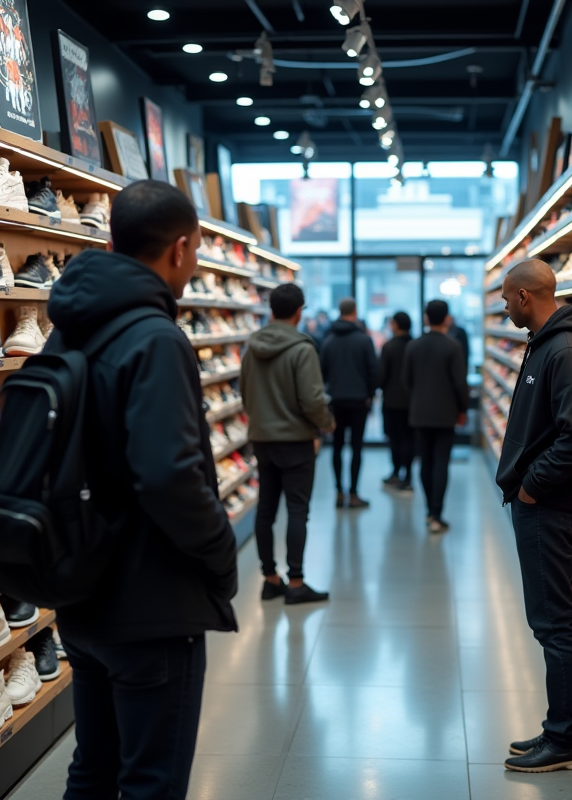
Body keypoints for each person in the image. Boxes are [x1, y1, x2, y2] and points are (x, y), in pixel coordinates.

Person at [44, 180, 238, 800]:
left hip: (79, 591)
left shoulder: (66, 331)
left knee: (93, 770)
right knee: (151, 782)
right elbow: (166, 473)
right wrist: (219, 553)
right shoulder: (156, 338)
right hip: (151, 599)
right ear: (180, 249)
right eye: (199, 249)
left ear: (110, 240)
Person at [495, 259, 572, 773]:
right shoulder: (546, 343)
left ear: (522, 297)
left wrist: (533, 487)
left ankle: (567, 741)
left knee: (553, 622)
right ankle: (566, 726)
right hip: (538, 503)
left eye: (504, 297)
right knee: (551, 619)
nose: (502, 305)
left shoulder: (565, 350)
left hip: (547, 507)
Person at [242, 283, 335, 604]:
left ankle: (270, 579)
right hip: (295, 440)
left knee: (265, 509)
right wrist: (325, 423)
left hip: (262, 439)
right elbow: (311, 399)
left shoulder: (250, 347)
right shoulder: (302, 349)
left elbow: (244, 390)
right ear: (299, 312)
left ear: (271, 310)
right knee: (297, 510)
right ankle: (296, 582)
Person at [404, 300, 469, 533]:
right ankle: (436, 514)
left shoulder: (413, 346)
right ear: (447, 318)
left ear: (426, 318)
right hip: (445, 413)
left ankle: (428, 511)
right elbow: (460, 383)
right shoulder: (452, 347)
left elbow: (407, 381)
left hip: (420, 412)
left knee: (425, 461)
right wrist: (463, 409)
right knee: (441, 462)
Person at [320, 298, 379, 508]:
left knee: (336, 447)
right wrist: (370, 394)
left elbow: (322, 373)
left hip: (335, 401)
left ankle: (338, 492)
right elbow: (374, 371)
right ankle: (354, 493)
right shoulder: (364, 340)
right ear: (355, 311)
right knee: (356, 447)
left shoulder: (328, 340)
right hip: (358, 401)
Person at [378, 311, 415, 491]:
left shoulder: (389, 347)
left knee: (394, 438)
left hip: (391, 400)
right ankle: (407, 475)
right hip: (412, 401)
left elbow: (381, 375)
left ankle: (395, 472)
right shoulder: (414, 345)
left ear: (395, 324)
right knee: (409, 438)